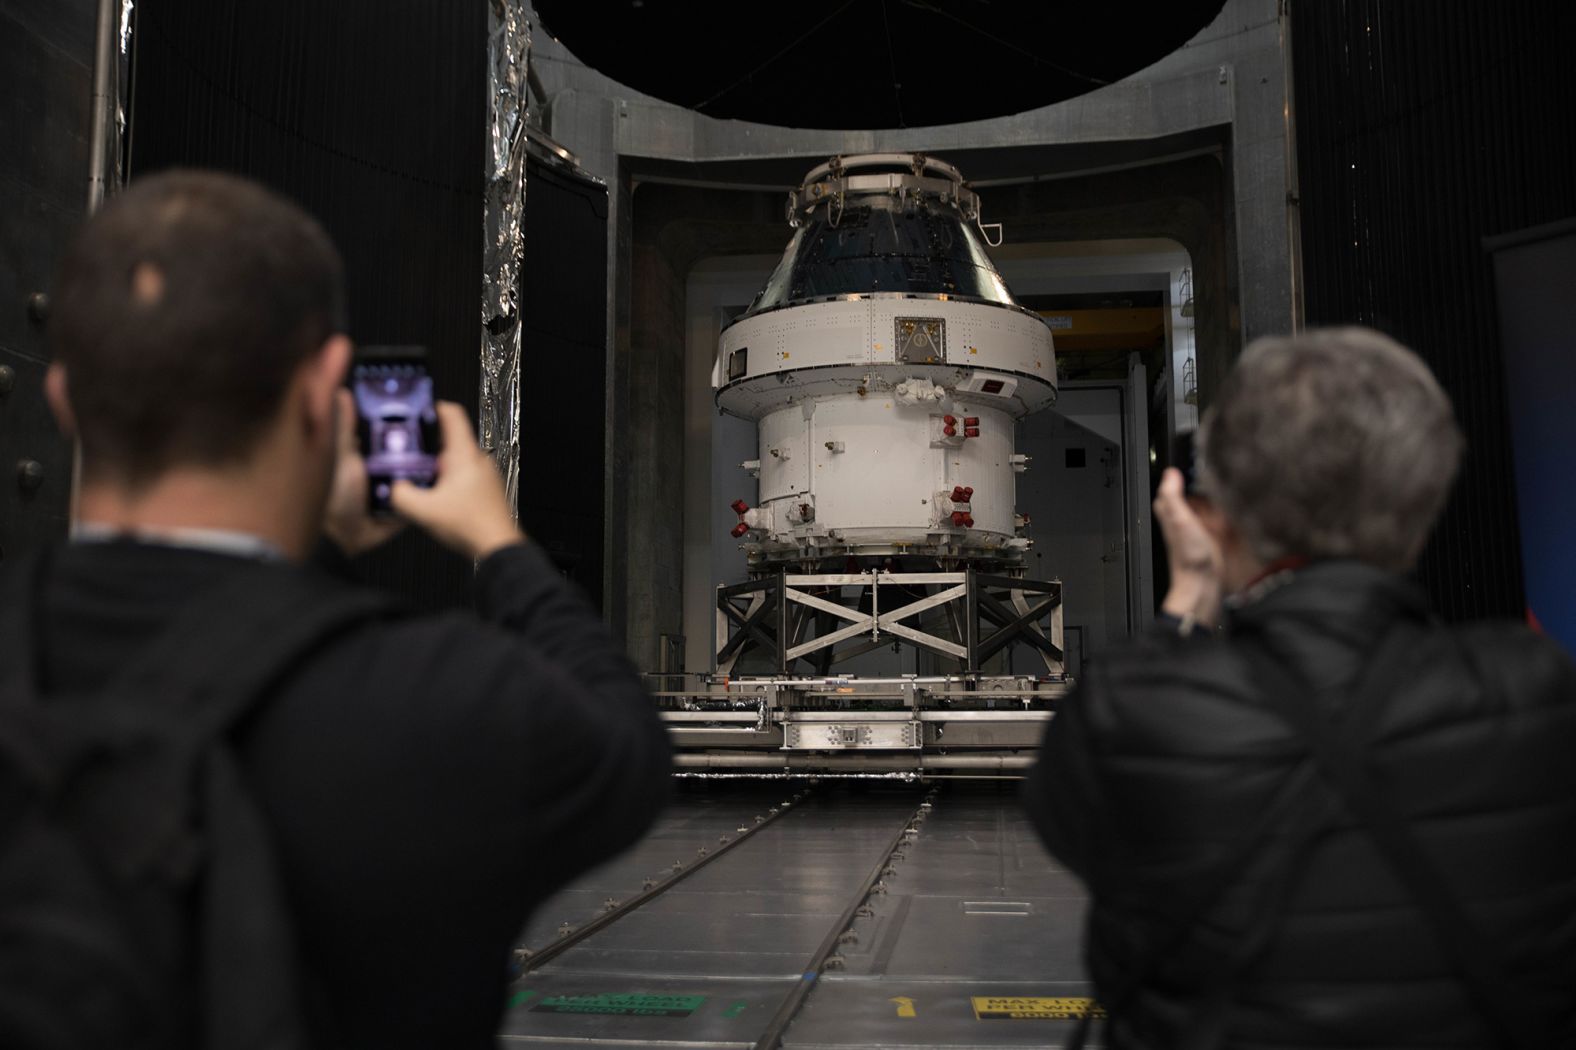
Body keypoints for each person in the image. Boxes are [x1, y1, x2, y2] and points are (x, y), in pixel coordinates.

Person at [14, 170, 673, 1048]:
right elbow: (627, 749)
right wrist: (497, 544)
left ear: (63, 398)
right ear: (321, 391)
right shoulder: (439, 703)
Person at [1025, 327, 1576, 1049]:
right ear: (1429, 488)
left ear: (1209, 507)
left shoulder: (1134, 711)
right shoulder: (1537, 695)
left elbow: (1072, 824)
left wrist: (1189, 593)